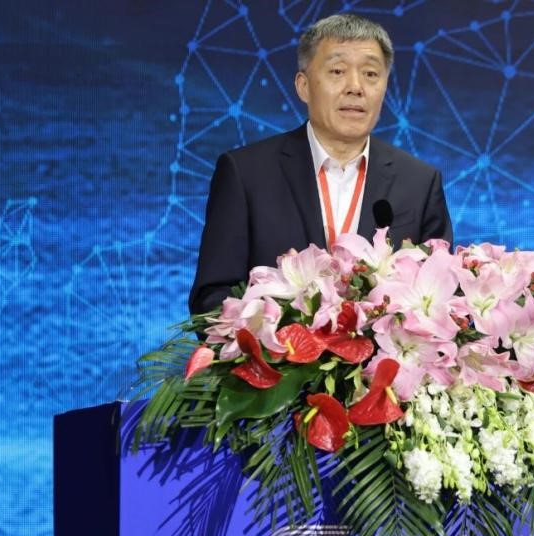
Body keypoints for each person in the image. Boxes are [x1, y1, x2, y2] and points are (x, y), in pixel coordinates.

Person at [188, 13, 453, 315]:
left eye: (371, 74)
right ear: (303, 86)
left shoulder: (420, 182)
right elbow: (212, 299)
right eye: (337, 71)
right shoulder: (246, 173)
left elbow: (441, 300)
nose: (356, 87)